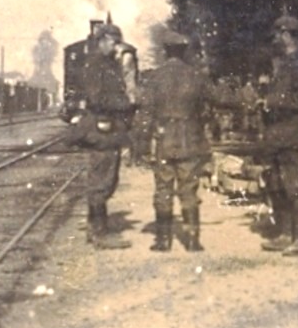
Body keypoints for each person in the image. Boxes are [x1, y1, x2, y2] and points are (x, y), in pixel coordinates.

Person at [142, 29, 215, 252]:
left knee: (163, 188)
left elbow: (146, 112)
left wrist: (143, 144)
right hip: (190, 139)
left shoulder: (155, 77)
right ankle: (193, 240)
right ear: (184, 52)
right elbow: (210, 103)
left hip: (164, 139)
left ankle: (163, 241)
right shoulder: (196, 76)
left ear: (165, 52)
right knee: (189, 189)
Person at [257, 14, 298, 255]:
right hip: (277, 132)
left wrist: (271, 101)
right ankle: (285, 234)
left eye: (277, 35)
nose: (274, 40)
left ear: (286, 34)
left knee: (297, 185)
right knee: (276, 184)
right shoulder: (285, 63)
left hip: (292, 130)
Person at [75, 21, 134, 248]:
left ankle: (96, 229)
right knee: (101, 179)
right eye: (113, 42)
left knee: (106, 179)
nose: (116, 47)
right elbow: (97, 98)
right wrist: (126, 103)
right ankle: (99, 234)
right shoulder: (96, 64)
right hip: (102, 127)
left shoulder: (106, 63)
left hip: (108, 127)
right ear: (102, 40)